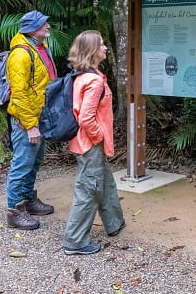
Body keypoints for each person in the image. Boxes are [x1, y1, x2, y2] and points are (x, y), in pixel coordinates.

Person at [62, 30, 125, 255]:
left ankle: (114, 222)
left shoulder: (84, 75)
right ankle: (75, 241)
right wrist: (98, 137)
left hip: (87, 143)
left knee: (104, 181)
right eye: (101, 45)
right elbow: (86, 117)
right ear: (92, 51)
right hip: (90, 144)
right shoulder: (94, 81)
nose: (105, 48)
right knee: (89, 189)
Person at [5, 10, 58, 230]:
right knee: (22, 163)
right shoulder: (21, 54)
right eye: (44, 24)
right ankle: (14, 211)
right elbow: (19, 94)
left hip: (39, 115)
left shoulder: (38, 48)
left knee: (33, 162)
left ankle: (28, 201)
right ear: (32, 29)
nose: (48, 26)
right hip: (26, 119)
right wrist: (29, 125)